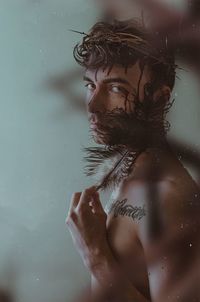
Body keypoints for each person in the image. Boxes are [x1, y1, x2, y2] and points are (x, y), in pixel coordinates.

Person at [66, 20, 200, 302]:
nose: (93, 105)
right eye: (91, 84)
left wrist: (95, 256)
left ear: (160, 99)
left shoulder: (168, 196)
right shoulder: (129, 168)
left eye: (115, 89)